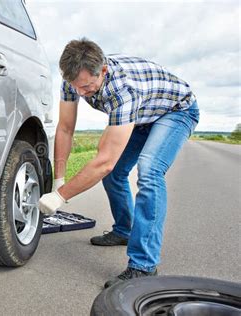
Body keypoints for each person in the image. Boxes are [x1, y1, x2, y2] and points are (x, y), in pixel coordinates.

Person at [38, 38, 200, 288]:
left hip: (175, 112)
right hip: (142, 115)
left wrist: (60, 196)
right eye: (76, 87)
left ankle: (143, 266)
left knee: (149, 171)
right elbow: (66, 129)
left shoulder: (124, 89)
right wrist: (59, 177)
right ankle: (124, 231)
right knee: (115, 177)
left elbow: (105, 161)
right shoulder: (74, 79)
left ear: (102, 70)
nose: (81, 93)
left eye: (87, 87)